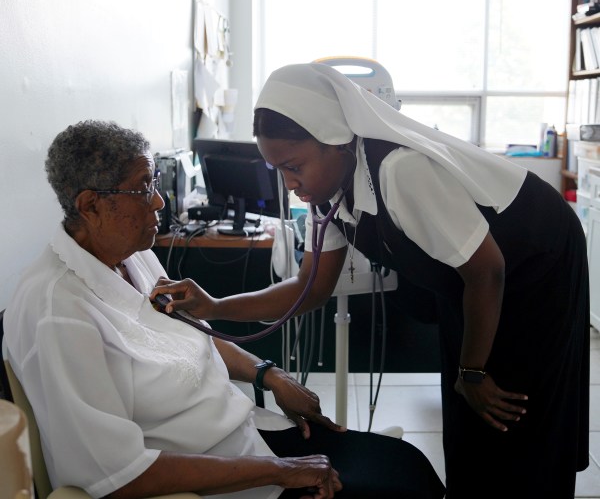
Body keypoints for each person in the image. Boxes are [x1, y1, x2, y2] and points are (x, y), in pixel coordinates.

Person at [153, 63, 591, 499]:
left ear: (337, 143)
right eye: (279, 171)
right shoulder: (330, 195)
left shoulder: (400, 171)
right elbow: (311, 288)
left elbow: (487, 269)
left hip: (533, 268)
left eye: (295, 167)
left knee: (516, 414)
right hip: (470, 285)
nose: (290, 185)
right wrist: (214, 306)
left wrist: (474, 370)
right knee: (468, 415)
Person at [3, 120, 445, 499]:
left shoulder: (128, 256)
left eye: (155, 183)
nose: (160, 202)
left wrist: (268, 374)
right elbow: (114, 474)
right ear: (90, 205)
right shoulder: (58, 314)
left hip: (249, 435)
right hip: (226, 476)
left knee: (406, 463)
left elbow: (190, 334)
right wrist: (282, 473)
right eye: (144, 188)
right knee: (400, 488)